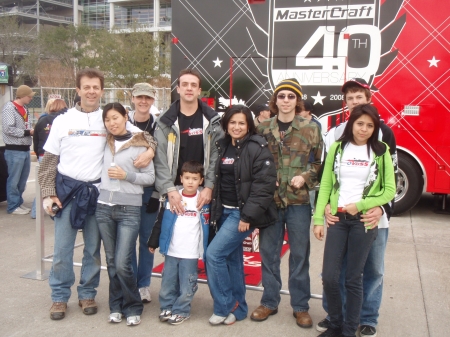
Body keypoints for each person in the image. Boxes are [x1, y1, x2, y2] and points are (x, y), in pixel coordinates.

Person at [38, 68, 157, 321]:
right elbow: (48, 161)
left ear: (101, 91)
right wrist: (49, 194)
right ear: (78, 90)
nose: (91, 91)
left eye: (96, 87)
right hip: (67, 193)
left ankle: (87, 293)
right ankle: (59, 297)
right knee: (62, 249)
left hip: (98, 194)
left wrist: (151, 151)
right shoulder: (63, 120)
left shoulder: (108, 119)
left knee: (92, 250)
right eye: (86, 87)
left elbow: (144, 136)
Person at [316, 78, 398, 337]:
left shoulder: (384, 137)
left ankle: (367, 319)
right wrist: (324, 210)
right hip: (339, 217)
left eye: (358, 97)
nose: (354, 102)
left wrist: (381, 208)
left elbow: (390, 182)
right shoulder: (335, 136)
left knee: (371, 270)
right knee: (333, 274)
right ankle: (336, 318)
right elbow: (327, 179)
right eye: (349, 98)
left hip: (371, 218)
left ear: (368, 99)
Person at [252, 78, 323, 328]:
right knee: (269, 254)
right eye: (281, 96)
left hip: (298, 202)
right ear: (275, 100)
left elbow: (318, 164)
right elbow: (254, 162)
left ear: (297, 100)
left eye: (291, 97)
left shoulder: (310, 128)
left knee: (300, 255)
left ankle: (300, 306)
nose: (285, 101)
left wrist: (304, 177)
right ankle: (269, 301)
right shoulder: (262, 128)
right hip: (270, 203)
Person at [206, 105, 277, 325]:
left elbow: (264, 187)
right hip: (223, 211)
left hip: (241, 214)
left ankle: (226, 304)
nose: (236, 127)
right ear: (226, 124)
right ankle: (240, 308)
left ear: (249, 125)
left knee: (213, 255)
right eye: (232, 122)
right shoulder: (223, 144)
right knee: (231, 259)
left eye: (242, 123)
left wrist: (247, 217)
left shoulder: (257, 147)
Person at [96, 102, 155, 326]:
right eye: (107, 120)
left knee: (123, 262)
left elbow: (149, 178)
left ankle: (133, 306)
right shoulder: (104, 140)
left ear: (125, 117)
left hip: (129, 209)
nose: (112, 123)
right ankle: (116, 305)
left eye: (115, 118)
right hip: (103, 208)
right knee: (111, 262)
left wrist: (127, 175)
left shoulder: (140, 143)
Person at [153, 68, 224, 217]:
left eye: (193, 85)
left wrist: (209, 186)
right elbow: (160, 159)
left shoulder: (212, 121)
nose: (189, 88)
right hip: (174, 192)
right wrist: (170, 190)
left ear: (199, 91)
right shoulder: (165, 122)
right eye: (184, 84)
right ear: (178, 89)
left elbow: (215, 158)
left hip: (203, 193)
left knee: (200, 238)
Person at [147, 161, 210, 325]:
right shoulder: (173, 197)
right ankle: (167, 307)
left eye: (195, 178)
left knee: (187, 283)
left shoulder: (203, 200)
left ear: (201, 181)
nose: (190, 182)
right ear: (181, 178)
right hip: (172, 250)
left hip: (190, 252)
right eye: (187, 177)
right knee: (168, 281)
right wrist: (153, 242)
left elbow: (209, 225)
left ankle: (182, 310)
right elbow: (160, 221)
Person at [128, 83, 159, 304]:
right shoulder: (122, 119)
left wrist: (157, 193)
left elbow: (164, 158)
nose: (143, 101)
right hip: (125, 188)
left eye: (147, 98)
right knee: (127, 240)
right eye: (139, 97)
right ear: (132, 98)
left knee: (147, 241)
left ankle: (144, 285)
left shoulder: (159, 123)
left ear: (153, 100)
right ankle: (129, 283)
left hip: (149, 190)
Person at [31, 99, 68, 219]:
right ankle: (57, 209)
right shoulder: (64, 120)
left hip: (42, 154)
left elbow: (35, 138)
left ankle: (35, 212)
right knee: (57, 184)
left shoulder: (42, 120)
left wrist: (38, 153)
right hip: (57, 155)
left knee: (43, 186)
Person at [1, 85, 35, 215]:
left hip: (25, 148)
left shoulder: (25, 109)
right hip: (14, 149)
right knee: (14, 179)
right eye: (29, 95)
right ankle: (13, 205)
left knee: (22, 179)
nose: (31, 98)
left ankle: (18, 202)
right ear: (22, 95)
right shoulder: (9, 109)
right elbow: (8, 128)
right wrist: (27, 132)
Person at [298, 100, 322, 213]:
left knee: (310, 185)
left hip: (310, 160)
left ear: (308, 111)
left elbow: (315, 144)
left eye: (301, 110)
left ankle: (311, 208)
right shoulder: (296, 122)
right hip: (298, 160)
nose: (299, 112)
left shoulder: (316, 124)